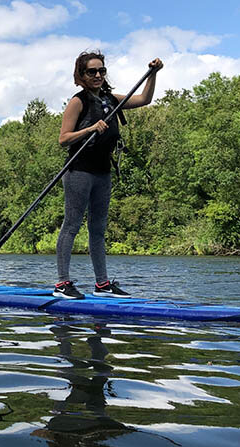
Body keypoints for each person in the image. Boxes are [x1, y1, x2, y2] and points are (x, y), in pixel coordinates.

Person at [53, 53, 163, 299]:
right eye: (92, 72)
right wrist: (91, 128)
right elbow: (63, 139)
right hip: (79, 170)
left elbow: (145, 99)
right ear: (81, 76)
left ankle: (101, 284)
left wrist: (153, 74)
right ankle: (61, 284)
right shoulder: (77, 102)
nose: (98, 75)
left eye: (101, 70)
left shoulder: (111, 98)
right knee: (71, 225)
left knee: (98, 229)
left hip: (103, 172)